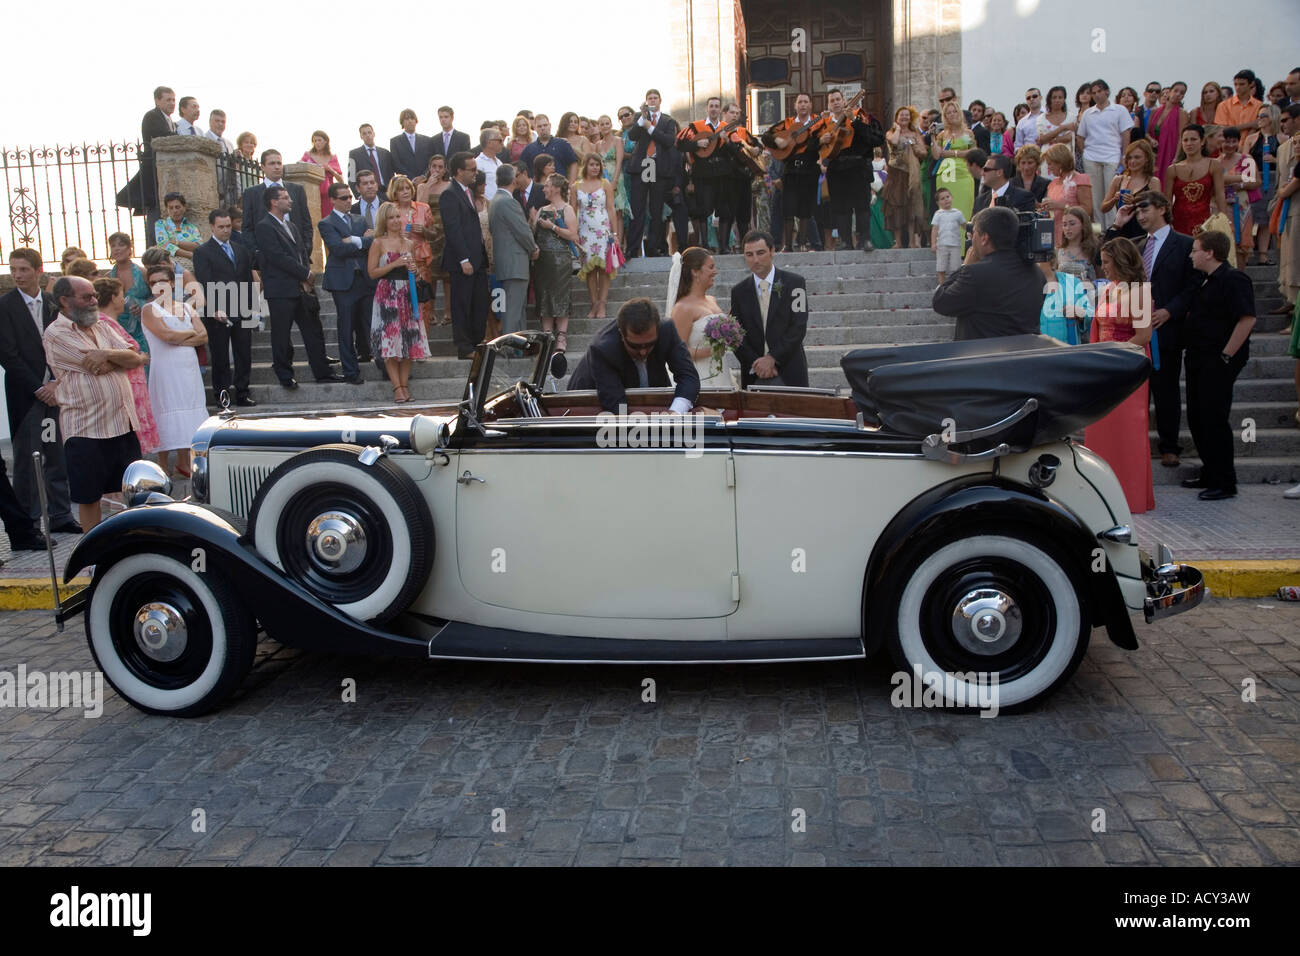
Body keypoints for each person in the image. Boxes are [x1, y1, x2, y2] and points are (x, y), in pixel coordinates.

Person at [41, 276, 146, 531]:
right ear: (65, 301)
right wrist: (118, 359)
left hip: (122, 423)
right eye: (86, 297)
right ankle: (94, 559)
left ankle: (132, 545)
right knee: (89, 497)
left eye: (95, 295)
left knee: (133, 491)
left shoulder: (101, 325)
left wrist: (108, 354)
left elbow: (136, 357)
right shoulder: (56, 333)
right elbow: (95, 366)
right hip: (87, 429)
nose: (94, 301)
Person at [1103, 190, 1197, 467]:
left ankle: (1170, 446)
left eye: (1146, 210)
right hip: (1133, 327)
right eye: (1138, 211)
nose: (1141, 216)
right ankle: (1136, 441)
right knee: (1135, 390)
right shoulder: (1137, 244)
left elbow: (1192, 286)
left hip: (1165, 327)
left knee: (1166, 388)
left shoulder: (1185, 244)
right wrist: (1117, 224)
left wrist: (1170, 310)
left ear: (1163, 208)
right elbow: (1108, 255)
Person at [0, 248, 79, 533]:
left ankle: (61, 515)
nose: (17, 275)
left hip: (54, 393)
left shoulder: (51, 303)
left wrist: (56, 383)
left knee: (56, 455)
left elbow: (64, 345)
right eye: (13, 269)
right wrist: (38, 387)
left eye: (23, 269)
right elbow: (8, 355)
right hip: (26, 396)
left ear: (38, 270)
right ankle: (29, 522)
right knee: (27, 460)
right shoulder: (5, 306)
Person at [1179, 231, 1256, 500]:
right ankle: (1210, 472)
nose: (1191, 255)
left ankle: (1225, 482)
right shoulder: (1204, 280)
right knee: (1198, 418)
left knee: (1214, 419)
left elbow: (1246, 319)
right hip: (1199, 357)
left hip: (1218, 360)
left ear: (1210, 253)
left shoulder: (1234, 279)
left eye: (1195, 250)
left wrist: (1225, 356)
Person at [1083, 238, 1155, 513]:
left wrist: (1114, 357)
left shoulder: (1139, 292)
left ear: (1122, 261)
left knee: (1127, 434)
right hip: (1105, 371)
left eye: (1108, 261)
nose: (1103, 267)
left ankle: (1130, 495)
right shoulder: (1109, 289)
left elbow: (1144, 335)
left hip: (1128, 372)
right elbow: (1098, 328)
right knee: (1102, 432)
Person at [255, 185, 339, 388]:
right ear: (274, 202)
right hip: (280, 290)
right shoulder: (264, 226)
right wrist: (305, 274)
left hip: (301, 289)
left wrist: (305, 277)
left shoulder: (291, 226)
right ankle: (285, 375)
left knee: (313, 331)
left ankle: (322, 372)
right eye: (284, 197)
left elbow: (301, 252)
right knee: (281, 335)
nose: (290, 200)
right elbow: (277, 257)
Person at [568, 297, 699, 414]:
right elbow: (616, 406)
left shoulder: (667, 330)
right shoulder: (602, 348)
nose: (643, 352)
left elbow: (688, 376)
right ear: (621, 335)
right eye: (635, 346)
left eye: (650, 344)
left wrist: (676, 412)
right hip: (587, 407)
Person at [933, 206, 1046, 340]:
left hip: (984, 357)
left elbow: (941, 302)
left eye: (974, 232)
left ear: (984, 238)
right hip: (1024, 355)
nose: (971, 239)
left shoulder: (975, 274)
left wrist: (965, 266)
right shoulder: (1036, 272)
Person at [140, 264, 208, 475]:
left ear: (171, 283)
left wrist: (180, 338)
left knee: (189, 409)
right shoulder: (149, 309)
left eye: (161, 281)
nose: (157, 286)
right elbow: (166, 336)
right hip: (165, 370)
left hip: (189, 369)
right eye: (152, 283)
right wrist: (190, 334)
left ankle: (183, 462)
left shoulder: (187, 307)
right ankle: (162, 466)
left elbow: (204, 336)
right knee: (166, 409)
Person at [727, 230, 809, 388]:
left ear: (772, 251)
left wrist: (772, 358)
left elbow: (798, 326)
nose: (755, 260)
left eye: (760, 253)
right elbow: (736, 334)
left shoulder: (795, 283)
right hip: (754, 373)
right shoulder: (738, 291)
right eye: (749, 255)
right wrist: (756, 364)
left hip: (790, 368)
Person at [367, 201, 430, 404]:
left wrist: (415, 271)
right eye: (391, 217)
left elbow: (415, 274)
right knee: (390, 343)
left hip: (406, 294)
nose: (395, 221)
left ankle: (405, 387)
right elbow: (372, 272)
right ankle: (397, 388)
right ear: (384, 220)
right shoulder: (378, 243)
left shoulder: (409, 243)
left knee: (409, 341)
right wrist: (394, 263)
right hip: (387, 294)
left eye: (397, 217)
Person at [192, 209, 257, 405]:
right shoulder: (202, 252)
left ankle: (243, 393)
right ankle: (222, 395)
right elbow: (205, 281)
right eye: (221, 227)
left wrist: (252, 308)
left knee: (244, 353)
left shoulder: (241, 249)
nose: (226, 230)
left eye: (228, 226)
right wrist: (213, 308)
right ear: (212, 227)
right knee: (220, 356)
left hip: (242, 309)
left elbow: (247, 279)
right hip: (218, 312)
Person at [93, 277, 158, 454]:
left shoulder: (110, 322)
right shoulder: (103, 323)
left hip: (131, 387)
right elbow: (110, 359)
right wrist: (139, 358)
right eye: (122, 295)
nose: (124, 300)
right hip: (124, 389)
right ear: (113, 298)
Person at [318, 184, 375, 386]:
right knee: (346, 326)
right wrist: (361, 241)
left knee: (371, 324)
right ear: (332, 200)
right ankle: (351, 372)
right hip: (342, 283)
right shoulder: (326, 223)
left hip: (365, 279)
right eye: (343, 198)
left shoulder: (359, 220)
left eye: (350, 197)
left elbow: (372, 243)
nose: (348, 201)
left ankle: (383, 365)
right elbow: (337, 249)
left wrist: (353, 240)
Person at [819, 89, 884, 252]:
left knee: (862, 207)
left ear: (844, 101)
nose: (835, 102)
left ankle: (865, 240)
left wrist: (854, 120)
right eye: (832, 100)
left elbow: (876, 139)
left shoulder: (861, 116)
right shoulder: (825, 125)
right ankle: (846, 241)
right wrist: (821, 140)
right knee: (841, 209)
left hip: (859, 168)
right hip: (837, 171)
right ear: (829, 104)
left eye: (838, 99)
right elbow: (815, 147)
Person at [441, 152, 491, 359]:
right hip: (463, 261)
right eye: (471, 169)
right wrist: (464, 259)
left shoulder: (469, 192)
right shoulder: (449, 194)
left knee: (480, 303)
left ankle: (477, 341)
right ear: (459, 171)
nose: (475, 173)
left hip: (478, 259)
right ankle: (465, 347)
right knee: (462, 304)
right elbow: (453, 229)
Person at [626, 91, 680, 258]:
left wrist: (650, 127)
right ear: (646, 101)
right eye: (649, 98)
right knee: (637, 208)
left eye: (655, 98)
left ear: (660, 101)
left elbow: (669, 141)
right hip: (641, 166)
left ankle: (654, 247)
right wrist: (643, 120)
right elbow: (632, 135)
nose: (652, 101)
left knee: (656, 210)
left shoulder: (668, 120)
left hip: (659, 167)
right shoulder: (639, 117)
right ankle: (633, 248)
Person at [530, 173, 579, 353]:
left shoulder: (567, 209)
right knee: (544, 296)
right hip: (543, 261)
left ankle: (561, 337)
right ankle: (547, 335)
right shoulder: (542, 210)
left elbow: (573, 235)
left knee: (561, 296)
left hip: (560, 259)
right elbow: (533, 234)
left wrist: (552, 227)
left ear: (557, 188)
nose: (544, 189)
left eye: (547, 185)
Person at [488, 164, 538, 336]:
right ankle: (508, 348)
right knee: (513, 310)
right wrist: (533, 248)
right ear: (512, 179)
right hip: (514, 263)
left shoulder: (496, 200)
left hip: (508, 263)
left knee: (517, 308)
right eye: (516, 175)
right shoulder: (508, 201)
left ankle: (519, 347)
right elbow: (522, 231)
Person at [671, 247, 731, 389]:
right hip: (700, 377)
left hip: (721, 371)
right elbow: (678, 352)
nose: (715, 271)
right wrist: (711, 351)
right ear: (695, 272)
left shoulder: (712, 300)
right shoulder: (683, 308)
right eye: (711, 267)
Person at [574, 153, 625, 320]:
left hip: (603, 230)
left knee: (604, 268)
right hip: (584, 232)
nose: (595, 167)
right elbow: (573, 210)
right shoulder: (576, 186)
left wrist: (615, 233)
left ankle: (602, 303)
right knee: (589, 269)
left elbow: (611, 209)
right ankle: (593, 302)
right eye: (592, 164)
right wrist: (574, 233)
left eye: (598, 164)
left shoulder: (605, 184)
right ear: (585, 166)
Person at [241, 149, 314, 266]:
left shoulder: (296, 190)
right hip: (268, 260)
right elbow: (247, 228)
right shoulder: (251, 193)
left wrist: (306, 249)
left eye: (279, 163)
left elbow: (306, 223)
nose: (277, 167)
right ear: (263, 167)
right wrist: (257, 254)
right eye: (272, 163)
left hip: (297, 257)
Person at [1077, 79, 1132, 228]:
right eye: (1093, 93)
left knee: (1112, 194)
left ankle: (1113, 227)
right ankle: (1100, 230)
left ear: (1106, 91)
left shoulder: (1119, 110)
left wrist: (1124, 156)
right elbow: (1080, 136)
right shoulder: (1088, 113)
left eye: (1099, 91)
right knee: (1096, 197)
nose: (1096, 95)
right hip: (1091, 158)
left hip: (1112, 157)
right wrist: (1085, 153)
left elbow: (1125, 133)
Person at [386, 174, 436, 330]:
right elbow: (383, 235)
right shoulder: (389, 210)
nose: (406, 192)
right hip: (398, 261)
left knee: (423, 302)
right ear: (394, 193)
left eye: (408, 188)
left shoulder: (423, 207)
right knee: (402, 302)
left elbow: (434, 233)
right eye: (401, 189)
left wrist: (424, 230)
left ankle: (423, 342)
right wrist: (399, 236)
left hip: (420, 260)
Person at [132, 86, 176, 242]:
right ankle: (154, 245)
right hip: (153, 170)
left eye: (173, 100)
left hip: (164, 170)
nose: (172, 103)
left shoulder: (170, 120)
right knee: (155, 211)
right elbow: (164, 137)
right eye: (168, 100)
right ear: (157, 100)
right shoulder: (152, 116)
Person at [1166, 124, 1228, 235]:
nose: (1189, 143)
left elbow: (1220, 194)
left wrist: (1225, 220)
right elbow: (1167, 200)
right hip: (1178, 221)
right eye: (1185, 140)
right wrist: (1166, 223)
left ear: (1202, 141)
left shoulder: (1213, 164)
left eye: (1193, 139)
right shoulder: (1173, 169)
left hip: (1204, 221)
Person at [413, 158, 452, 326]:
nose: (437, 170)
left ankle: (448, 311)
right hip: (428, 231)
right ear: (429, 167)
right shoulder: (422, 186)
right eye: (434, 166)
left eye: (440, 167)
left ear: (445, 169)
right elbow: (419, 205)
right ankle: (431, 311)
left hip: (446, 231)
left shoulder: (450, 185)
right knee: (431, 274)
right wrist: (427, 185)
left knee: (447, 275)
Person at [1100, 139, 1162, 240]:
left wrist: (1135, 202)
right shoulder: (1118, 180)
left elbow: (1157, 208)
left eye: (1137, 157)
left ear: (1147, 158)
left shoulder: (1153, 182)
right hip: (1121, 229)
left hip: (1142, 231)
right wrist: (1114, 199)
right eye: (1130, 158)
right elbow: (1103, 208)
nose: (1132, 161)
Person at [1272, 105, 1300, 317]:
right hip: (1286, 211)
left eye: (1286, 120)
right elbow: (1280, 183)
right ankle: (1291, 302)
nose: (1282, 124)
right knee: (1288, 261)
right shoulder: (1282, 148)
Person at [930, 101, 976, 222]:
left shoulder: (967, 134)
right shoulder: (942, 135)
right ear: (945, 117)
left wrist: (952, 153)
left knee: (963, 210)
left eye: (954, 111)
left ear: (959, 113)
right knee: (947, 212)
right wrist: (932, 138)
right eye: (948, 113)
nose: (952, 114)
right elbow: (936, 155)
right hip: (946, 175)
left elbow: (973, 152)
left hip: (963, 174)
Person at [1040, 143, 1093, 246]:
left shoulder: (1080, 179)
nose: (1049, 168)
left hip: (1074, 234)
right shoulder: (1052, 183)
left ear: (1060, 162)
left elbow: (1088, 210)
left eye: (1050, 164)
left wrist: (1062, 206)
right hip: (1054, 233)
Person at [1219, 127, 1261, 259]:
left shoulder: (1246, 158)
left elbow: (1257, 181)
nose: (1230, 145)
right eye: (1227, 141)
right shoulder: (1216, 162)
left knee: (1242, 243)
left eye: (1234, 141)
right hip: (1221, 204)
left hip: (1242, 204)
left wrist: (1241, 185)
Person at [106, 232, 152, 351]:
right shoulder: (107, 278)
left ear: (129, 249)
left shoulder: (143, 273)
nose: (117, 249)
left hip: (143, 327)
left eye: (121, 245)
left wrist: (143, 305)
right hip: (118, 330)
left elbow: (159, 297)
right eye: (113, 246)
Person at [519, 114, 581, 198]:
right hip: (538, 192)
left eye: (545, 125)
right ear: (535, 128)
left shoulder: (562, 144)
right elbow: (523, 169)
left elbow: (573, 164)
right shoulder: (529, 149)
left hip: (560, 190)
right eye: (539, 126)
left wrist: (570, 185)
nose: (543, 128)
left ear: (550, 125)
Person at [592, 114, 627, 244]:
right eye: (602, 124)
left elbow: (619, 162)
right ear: (599, 127)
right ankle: (607, 243)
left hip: (616, 177)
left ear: (611, 125)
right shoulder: (597, 145)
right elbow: (595, 164)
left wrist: (615, 181)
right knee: (606, 210)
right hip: (602, 179)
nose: (605, 126)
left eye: (607, 123)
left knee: (617, 212)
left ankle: (619, 245)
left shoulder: (618, 141)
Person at [1147, 81, 1188, 185]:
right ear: (1169, 92)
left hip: (1169, 153)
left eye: (1182, 93)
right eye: (1176, 91)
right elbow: (1146, 133)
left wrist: (1176, 157)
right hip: (1153, 153)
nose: (1178, 94)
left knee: (1165, 182)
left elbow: (1181, 137)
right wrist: (1151, 140)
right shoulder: (1154, 111)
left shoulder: (1182, 113)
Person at [299, 130, 343, 218]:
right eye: (315, 141)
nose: (317, 143)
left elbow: (341, 180)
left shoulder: (332, 157)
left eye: (319, 140)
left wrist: (330, 169)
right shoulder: (308, 155)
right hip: (311, 193)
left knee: (328, 219)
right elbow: (299, 167)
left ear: (326, 141)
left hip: (327, 195)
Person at [153, 192, 202, 269]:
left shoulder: (192, 228)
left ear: (184, 207)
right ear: (167, 209)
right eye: (171, 208)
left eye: (177, 207)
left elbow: (198, 246)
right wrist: (190, 254)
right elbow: (163, 244)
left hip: (193, 267)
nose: (174, 211)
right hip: (171, 268)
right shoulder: (161, 224)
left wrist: (176, 242)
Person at [1056, 206, 1099, 290]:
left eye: (1072, 224)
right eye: (1064, 224)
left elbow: (1103, 279)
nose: (1067, 228)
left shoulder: (1094, 248)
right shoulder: (1058, 251)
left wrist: (1090, 284)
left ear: (1083, 224)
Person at [348, 123, 392, 201]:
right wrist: (358, 195)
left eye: (369, 132)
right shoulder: (353, 154)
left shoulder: (385, 153)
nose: (367, 135)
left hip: (387, 193)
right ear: (361, 136)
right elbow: (351, 177)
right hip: (367, 194)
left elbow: (391, 174)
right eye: (364, 133)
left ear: (374, 134)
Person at [930, 188, 965, 285]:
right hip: (942, 244)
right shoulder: (938, 214)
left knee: (956, 267)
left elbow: (964, 225)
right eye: (942, 198)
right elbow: (934, 229)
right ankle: (942, 286)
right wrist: (933, 243)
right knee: (941, 267)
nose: (946, 200)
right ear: (938, 203)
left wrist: (971, 231)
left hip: (955, 244)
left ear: (952, 198)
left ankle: (955, 285)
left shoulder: (957, 213)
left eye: (947, 197)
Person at [390, 109, 434, 179]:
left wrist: (423, 176)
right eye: (406, 119)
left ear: (416, 121)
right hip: (406, 183)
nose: (410, 121)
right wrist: (412, 179)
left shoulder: (427, 140)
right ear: (402, 122)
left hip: (426, 181)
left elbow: (431, 161)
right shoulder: (395, 142)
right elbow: (396, 164)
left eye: (412, 118)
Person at [475, 128, 506, 199]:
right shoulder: (478, 163)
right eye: (500, 140)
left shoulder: (499, 162)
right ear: (489, 143)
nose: (502, 143)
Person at [1013, 87, 1043, 151]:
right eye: (1028, 98)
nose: (1031, 99)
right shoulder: (1021, 122)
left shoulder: (1050, 115)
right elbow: (1018, 145)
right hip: (1030, 157)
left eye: (1034, 96)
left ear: (1040, 98)